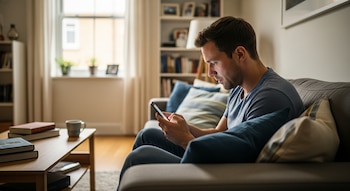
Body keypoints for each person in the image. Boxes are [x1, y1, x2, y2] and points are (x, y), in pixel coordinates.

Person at [117, 16, 303, 190]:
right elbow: (218, 133)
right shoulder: (239, 88)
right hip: (217, 157)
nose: (209, 73)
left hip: (224, 172)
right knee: (147, 135)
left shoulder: (270, 97)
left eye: (213, 62)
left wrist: (184, 139)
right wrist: (184, 127)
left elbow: (241, 161)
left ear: (239, 54)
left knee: (138, 157)